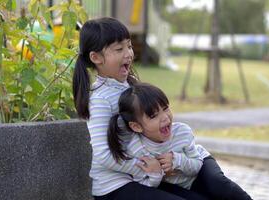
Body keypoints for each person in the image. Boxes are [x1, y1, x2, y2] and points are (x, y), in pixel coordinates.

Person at [72, 17, 206, 200]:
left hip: (142, 179)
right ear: (96, 58)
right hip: (114, 186)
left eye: (129, 46)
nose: (128, 53)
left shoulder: (128, 86)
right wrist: (145, 167)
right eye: (119, 49)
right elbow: (103, 154)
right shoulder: (100, 99)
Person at [109, 82, 253, 200]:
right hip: (178, 186)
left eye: (165, 108)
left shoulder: (182, 132)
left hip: (200, 165)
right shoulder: (137, 149)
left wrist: (177, 161)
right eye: (153, 115)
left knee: (219, 185)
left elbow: (196, 165)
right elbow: (145, 186)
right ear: (137, 126)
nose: (165, 117)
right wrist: (156, 173)